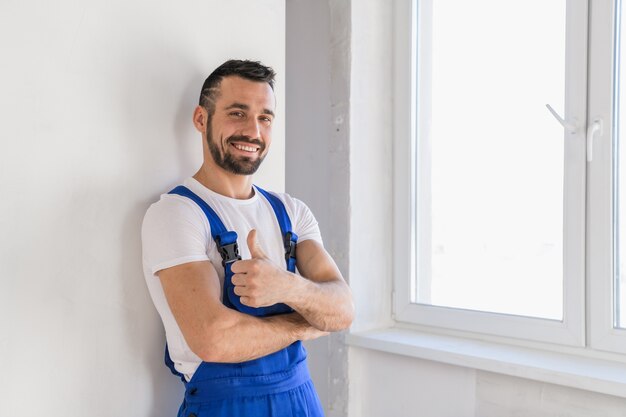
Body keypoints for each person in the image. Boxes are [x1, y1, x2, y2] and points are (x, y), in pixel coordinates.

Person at [141, 59, 354, 417]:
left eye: (265, 118)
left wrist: (286, 287)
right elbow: (213, 338)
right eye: (237, 113)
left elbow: (344, 310)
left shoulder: (291, 211)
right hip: (224, 406)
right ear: (201, 119)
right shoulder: (176, 214)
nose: (253, 131)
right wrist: (305, 321)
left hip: (302, 400)